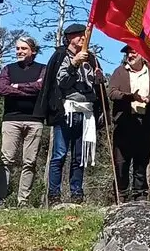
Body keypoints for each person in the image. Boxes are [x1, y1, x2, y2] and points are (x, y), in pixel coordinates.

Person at [36, 24, 104, 205]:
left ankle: (77, 193)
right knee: (59, 154)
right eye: (79, 35)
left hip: (86, 112)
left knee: (79, 157)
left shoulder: (92, 58)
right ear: (69, 38)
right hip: (66, 111)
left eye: (84, 35)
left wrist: (99, 78)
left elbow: (96, 85)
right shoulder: (60, 56)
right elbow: (62, 83)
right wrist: (74, 64)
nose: (83, 38)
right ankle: (54, 195)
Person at [108, 45, 150, 201]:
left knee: (141, 160)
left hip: (145, 121)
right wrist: (131, 96)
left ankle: (140, 194)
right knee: (121, 162)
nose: (130, 56)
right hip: (124, 122)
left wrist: (148, 99)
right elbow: (111, 92)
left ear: (142, 54)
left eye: (133, 52)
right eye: (128, 53)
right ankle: (121, 195)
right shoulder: (120, 71)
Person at [0, 36, 47, 207]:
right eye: (18, 48)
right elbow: (3, 89)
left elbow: (41, 87)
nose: (19, 51)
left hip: (35, 120)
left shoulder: (43, 69)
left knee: (30, 162)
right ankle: (0, 200)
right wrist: (29, 88)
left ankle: (23, 201)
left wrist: (17, 86)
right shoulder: (8, 69)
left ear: (33, 51)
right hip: (11, 119)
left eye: (23, 48)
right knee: (6, 160)